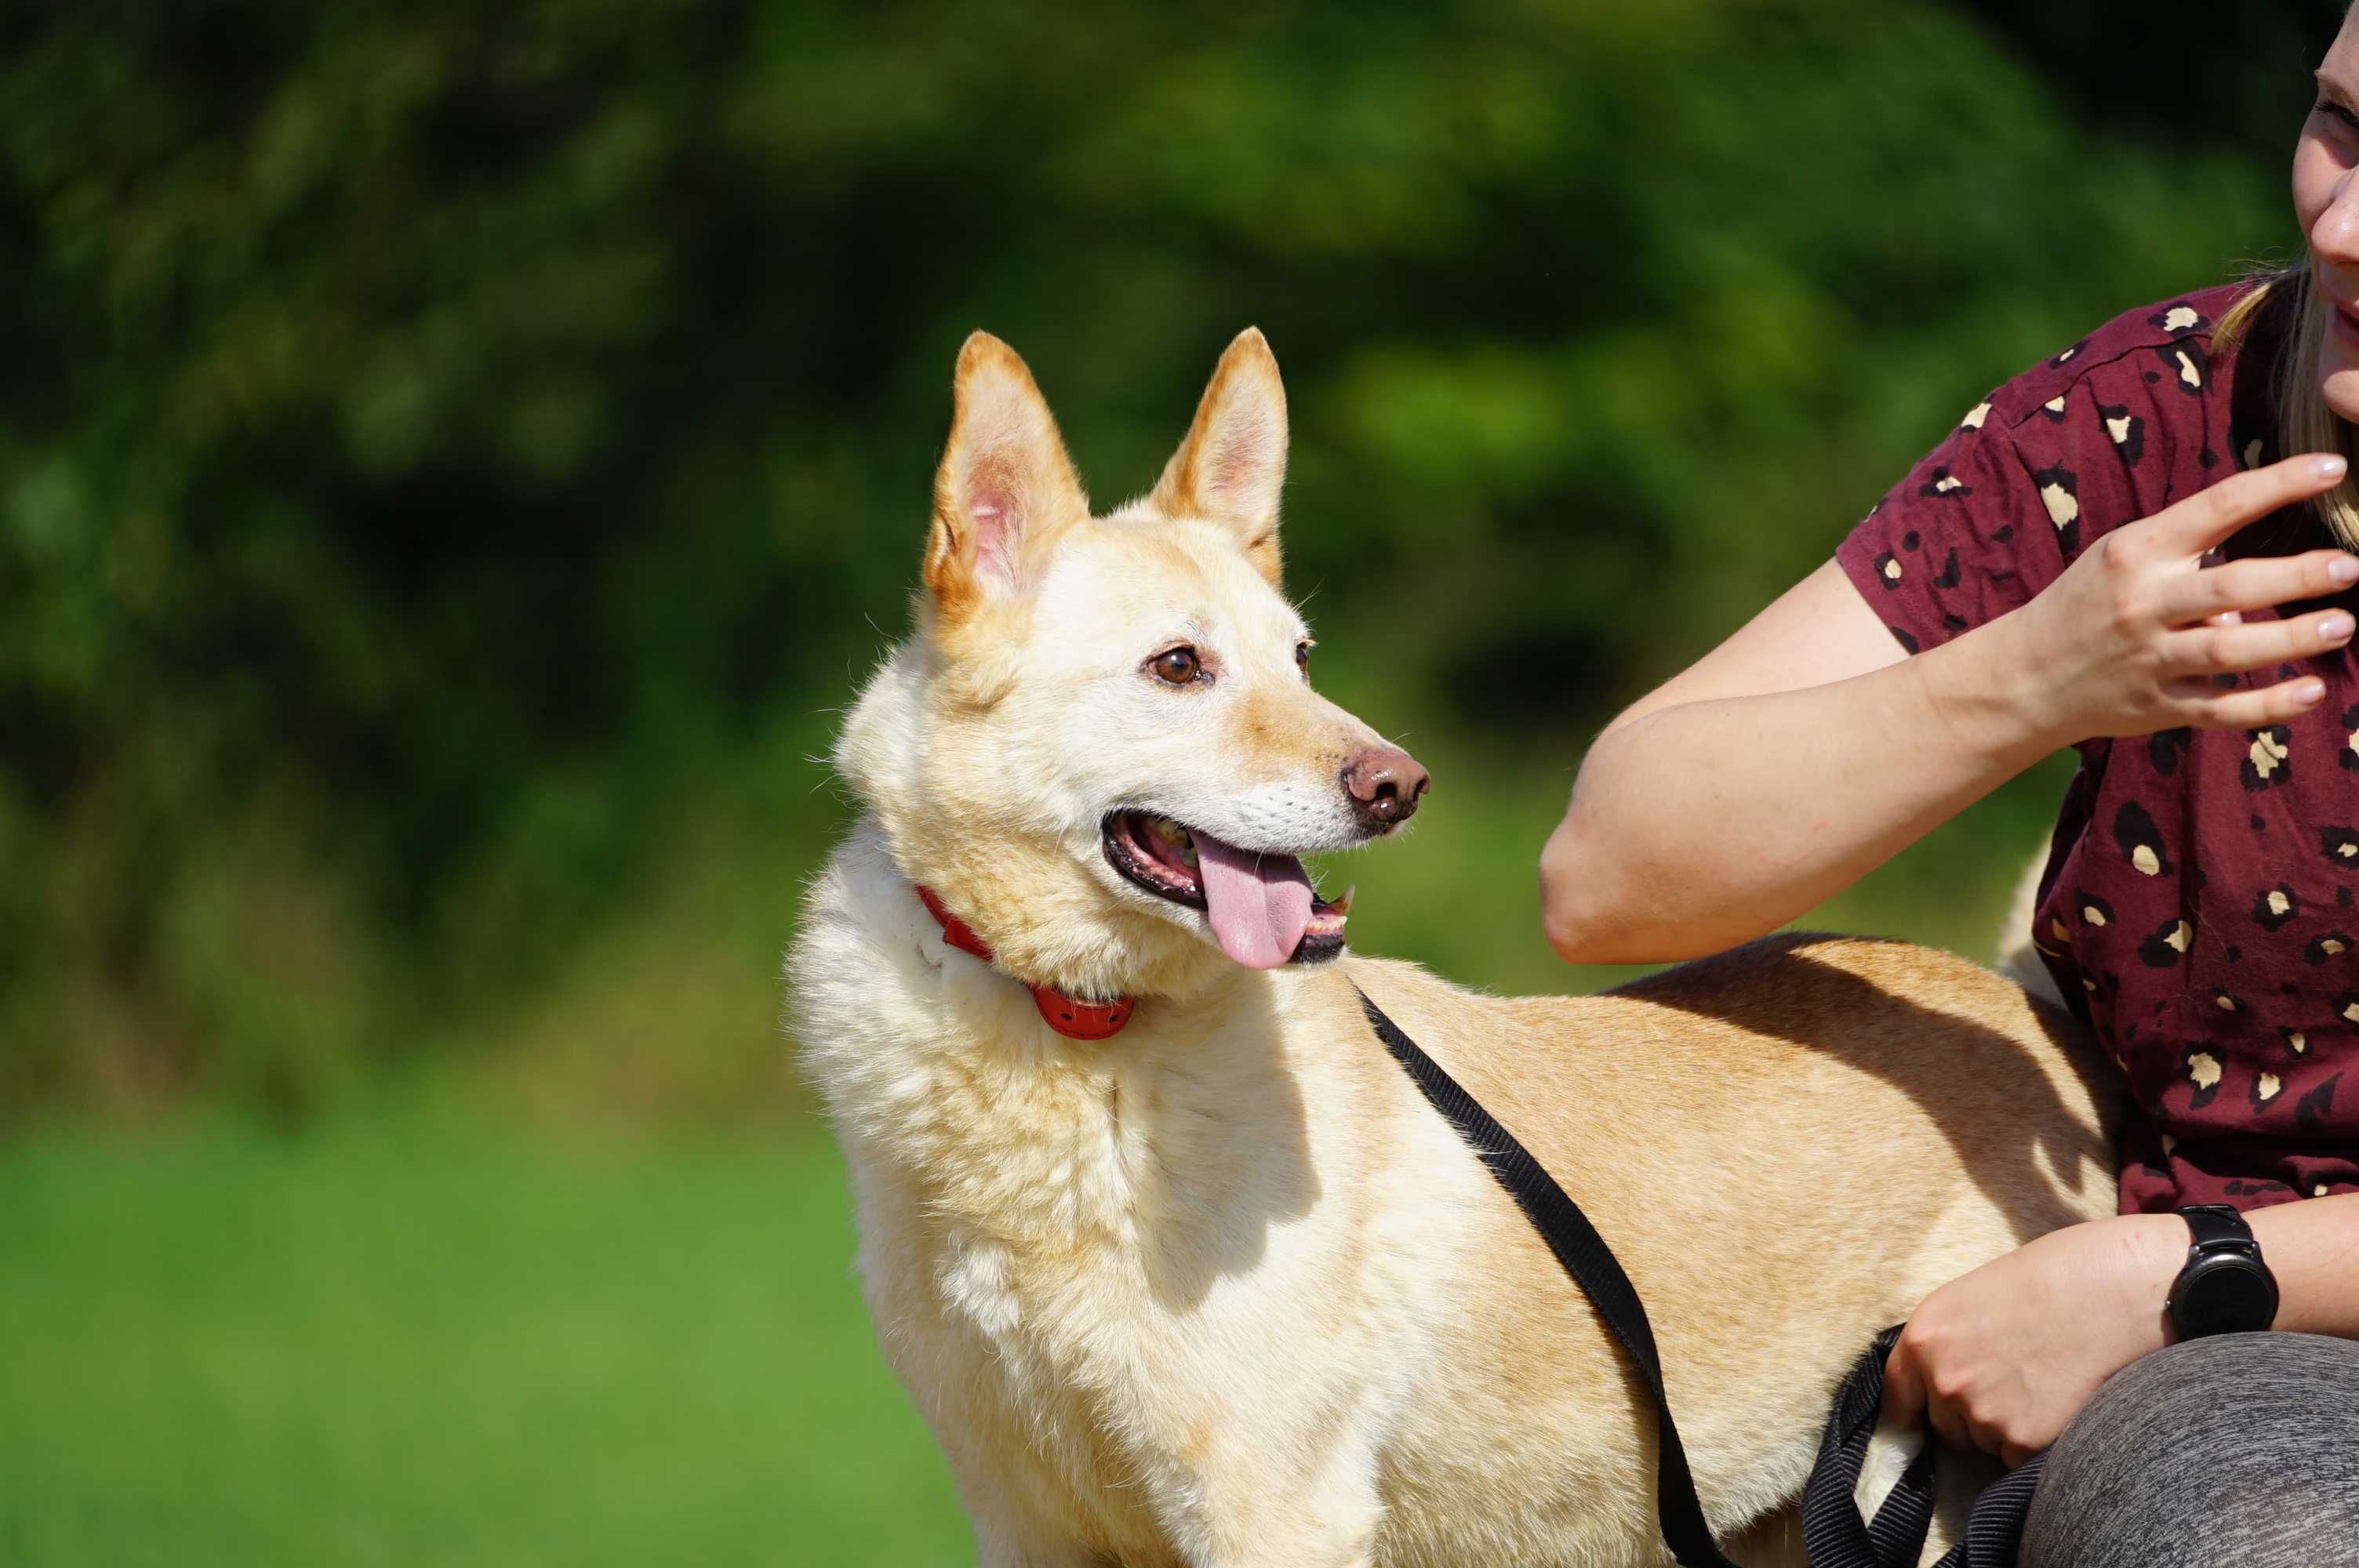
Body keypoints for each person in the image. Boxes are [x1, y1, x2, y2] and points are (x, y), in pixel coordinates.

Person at [1539, 13, 2359, 1565]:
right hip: (2214, 1323)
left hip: (2213, 1294)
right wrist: (2036, 674)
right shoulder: (2155, 415)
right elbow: (1610, 869)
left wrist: (2170, 1278)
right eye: (2337, 121)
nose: (2337, 224)